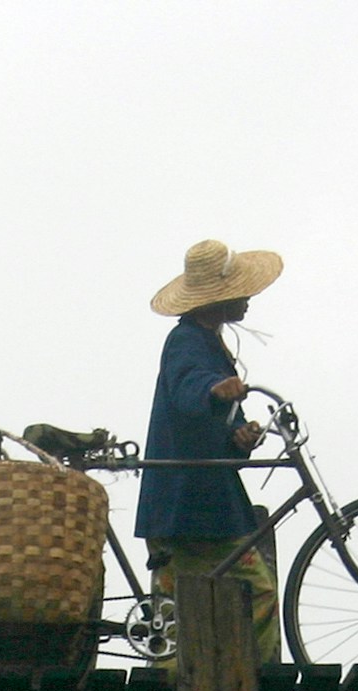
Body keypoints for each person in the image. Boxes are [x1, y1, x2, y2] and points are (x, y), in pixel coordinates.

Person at [137, 239, 283, 657]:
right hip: (190, 502)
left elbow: (206, 420)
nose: (250, 299)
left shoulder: (209, 342)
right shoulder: (186, 341)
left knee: (173, 613)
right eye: (242, 291)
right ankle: (252, 682)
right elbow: (188, 390)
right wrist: (215, 388)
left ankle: (189, 683)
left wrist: (238, 437)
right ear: (220, 298)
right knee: (258, 592)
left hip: (188, 501)